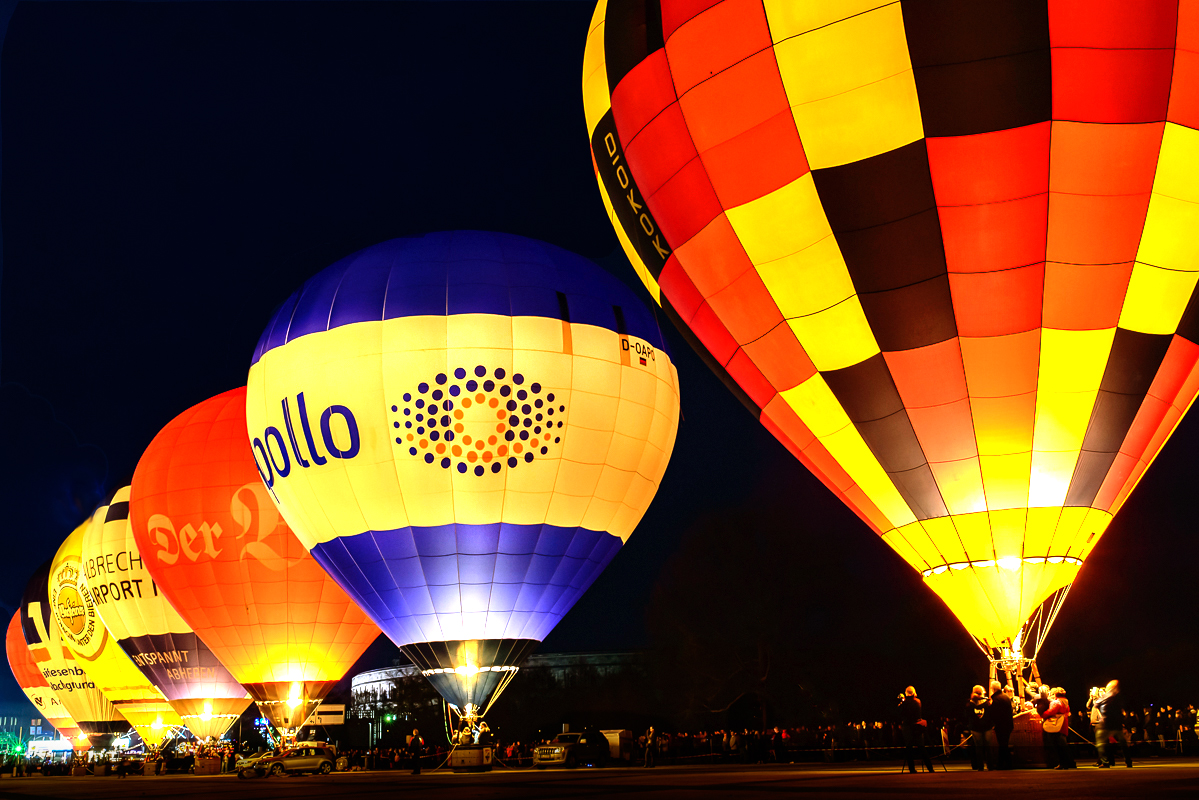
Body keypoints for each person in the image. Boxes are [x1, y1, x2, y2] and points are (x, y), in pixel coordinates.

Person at [1089, 680, 1132, 767]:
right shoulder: (1119, 696)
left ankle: (1105, 762)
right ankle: (1128, 761)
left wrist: (1095, 696)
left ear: (1112, 687)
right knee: (1123, 743)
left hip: (1106, 723)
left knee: (1100, 743)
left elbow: (1096, 704)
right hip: (1117, 724)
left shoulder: (1109, 694)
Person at [898, 686, 934, 773]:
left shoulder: (904, 703)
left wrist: (902, 700)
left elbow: (900, 712)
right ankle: (930, 768)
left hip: (907, 727)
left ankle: (911, 769)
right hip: (917, 727)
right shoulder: (918, 701)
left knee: (909, 748)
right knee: (922, 748)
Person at [983, 680, 1015, 770]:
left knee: (1002, 745)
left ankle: (1005, 764)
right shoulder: (1005, 697)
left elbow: (993, 713)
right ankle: (1005, 764)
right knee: (1004, 744)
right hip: (1007, 724)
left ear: (993, 689)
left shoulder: (996, 699)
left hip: (1001, 725)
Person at [1042, 688, 1075, 769]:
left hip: (1055, 725)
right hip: (1063, 724)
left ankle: (1063, 763)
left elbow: (1051, 711)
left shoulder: (1056, 702)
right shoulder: (1065, 701)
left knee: (1058, 746)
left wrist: (1043, 714)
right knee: (1063, 746)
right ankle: (1070, 763)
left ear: (1055, 694)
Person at [965, 685, 990, 771]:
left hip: (975, 728)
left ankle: (980, 766)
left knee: (978, 747)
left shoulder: (969, 703)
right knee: (988, 747)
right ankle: (990, 765)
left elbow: (967, 715)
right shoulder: (988, 702)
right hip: (987, 727)